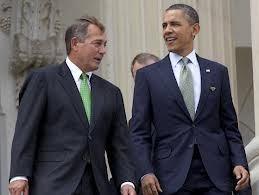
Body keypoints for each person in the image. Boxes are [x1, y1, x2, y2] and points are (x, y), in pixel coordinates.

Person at [8, 15, 136, 195]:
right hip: (53, 185)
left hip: (96, 187)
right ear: (75, 43)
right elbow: (26, 130)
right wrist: (19, 175)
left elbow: (119, 145)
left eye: (105, 45)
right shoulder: (43, 79)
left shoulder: (111, 92)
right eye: (97, 44)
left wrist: (126, 181)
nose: (103, 50)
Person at [130, 4, 250, 195]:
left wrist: (239, 162)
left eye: (174, 24)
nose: (167, 30)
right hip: (170, 177)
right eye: (164, 25)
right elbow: (139, 132)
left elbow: (230, 127)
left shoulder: (218, 72)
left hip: (216, 175)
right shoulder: (148, 76)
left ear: (195, 29)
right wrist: (145, 172)